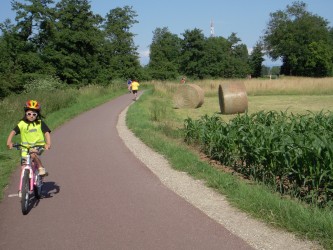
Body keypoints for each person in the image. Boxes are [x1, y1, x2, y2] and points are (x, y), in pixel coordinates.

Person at [6, 100, 51, 176]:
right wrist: (9, 142)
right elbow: (13, 132)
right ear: (26, 113)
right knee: (23, 166)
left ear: (37, 115)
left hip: (38, 146)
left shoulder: (40, 123)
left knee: (33, 154)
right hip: (25, 148)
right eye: (29, 114)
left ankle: (41, 168)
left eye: (34, 114)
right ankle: (25, 184)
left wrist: (48, 144)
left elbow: (46, 133)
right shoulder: (22, 123)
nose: (31, 116)